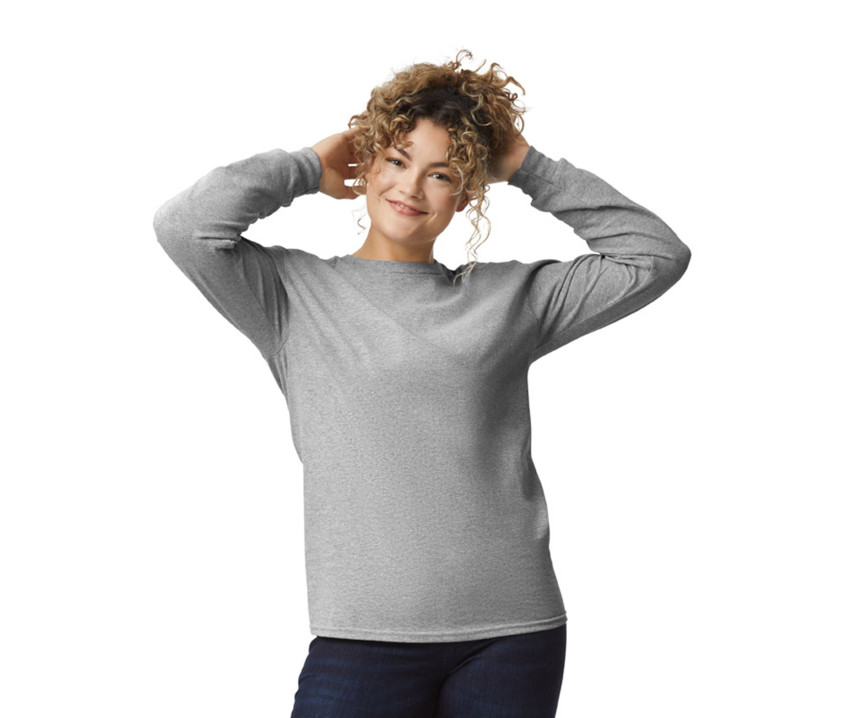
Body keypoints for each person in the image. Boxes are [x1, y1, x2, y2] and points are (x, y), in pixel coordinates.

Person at [153, 50, 691, 718]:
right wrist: (305, 166)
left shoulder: (511, 298)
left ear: (466, 194)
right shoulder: (289, 295)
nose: (410, 188)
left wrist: (527, 165)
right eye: (397, 160)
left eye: (441, 174)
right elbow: (185, 227)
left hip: (512, 631)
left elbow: (655, 255)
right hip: (361, 633)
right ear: (369, 162)